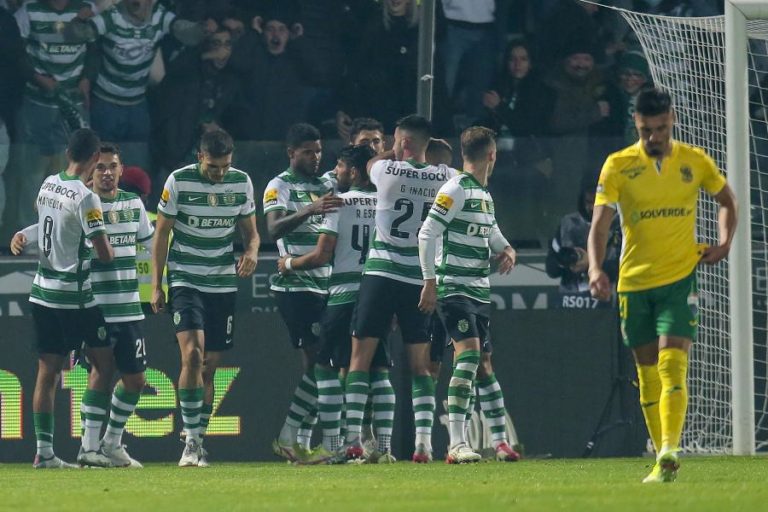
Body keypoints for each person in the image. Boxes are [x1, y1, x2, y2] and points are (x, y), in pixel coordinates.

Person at [588, 88, 737, 483]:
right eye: (646, 130)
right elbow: (600, 222)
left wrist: (724, 243)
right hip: (634, 283)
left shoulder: (694, 160)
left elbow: (727, 201)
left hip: (679, 278)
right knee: (647, 372)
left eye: (661, 128)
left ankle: (670, 448)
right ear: (636, 124)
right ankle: (661, 458)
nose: (654, 137)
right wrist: (594, 268)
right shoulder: (618, 165)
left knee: (674, 365)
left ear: (671, 120)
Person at [13, 143, 154, 468]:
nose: (106, 173)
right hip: (93, 304)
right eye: (101, 167)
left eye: (112, 167)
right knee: (96, 372)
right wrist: (25, 234)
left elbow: (151, 246)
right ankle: (89, 448)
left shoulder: (134, 206)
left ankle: (111, 443)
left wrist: (157, 284)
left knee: (136, 380)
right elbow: (57, 230)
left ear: (121, 169)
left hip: (128, 304)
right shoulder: (83, 201)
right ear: (92, 169)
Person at [346, 114, 457, 463]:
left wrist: (392, 153)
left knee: (359, 360)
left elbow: (375, 161)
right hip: (419, 278)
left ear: (403, 143)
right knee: (421, 366)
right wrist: (435, 153)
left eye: (395, 140)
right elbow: (447, 164)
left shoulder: (386, 171)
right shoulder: (446, 177)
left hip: (381, 273)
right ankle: (423, 443)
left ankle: (352, 440)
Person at [276, 144, 394, 463]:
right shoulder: (387, 203)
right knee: (379, 370)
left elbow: (322, 255)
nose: (336, 172)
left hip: (343, 294)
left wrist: (288, 264)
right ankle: (383, 448)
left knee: (325, 368)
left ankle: (334, 444)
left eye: (340, 166)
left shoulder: (339, 203)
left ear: (354, 171)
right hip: (377, 292)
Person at [151, 129, 260, 467]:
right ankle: (190, 441)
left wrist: (252, 252)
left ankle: (198, 439)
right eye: (214, 167)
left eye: (225, 166)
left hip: (222, 283)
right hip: (185, 279)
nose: (220, 173)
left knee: (210, 367)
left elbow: (252, 234)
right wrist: (158, 284)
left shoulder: (241, 183)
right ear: (200, 157)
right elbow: (161, 233)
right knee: (193, 354)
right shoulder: (178, 181)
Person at [10, 128, 114, 468]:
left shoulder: (48, 184)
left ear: (68, 152)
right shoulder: (87, 198)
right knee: (103, 365)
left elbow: (47, 226)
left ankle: (45, 453)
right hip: (75, 298)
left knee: (47, 372)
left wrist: (24, 235)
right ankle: (90, 446)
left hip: (42, 293)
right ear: (95, 158)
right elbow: (103, 252)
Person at [417, 126, 517, 463]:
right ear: (492, 155)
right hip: (453, 288)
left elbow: (491, 230)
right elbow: (427, 232)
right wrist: (430, 281)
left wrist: (507, 249)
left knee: (484, 364)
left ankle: (501, 441)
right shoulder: (455, 188)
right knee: (470, 356)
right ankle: (456, 444)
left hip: (479, 291)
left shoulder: (483, 195)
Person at [265, 123, 341, 462]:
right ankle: (289, 436)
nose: (315, 156)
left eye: (319, 150)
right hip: (295, 286)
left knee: (321, 366)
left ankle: (299, 441)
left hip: (326, 283)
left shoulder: (326, 184)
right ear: (291, 152)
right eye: (308, 151)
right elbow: (273, 228)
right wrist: (309, 209)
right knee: (320, 364)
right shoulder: (279, 185)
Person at [546, 186, 620, 297]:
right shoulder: (568, 223)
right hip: (569, 298)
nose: (591, 207)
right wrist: (564, 261)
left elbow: (625, 266)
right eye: (588, 202)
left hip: (607, 296)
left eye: (596, 202)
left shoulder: (620, 224)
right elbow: (551, 269)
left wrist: (590, 263)